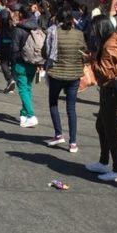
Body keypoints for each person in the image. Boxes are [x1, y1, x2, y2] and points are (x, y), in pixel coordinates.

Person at [86, 15, 117, 183]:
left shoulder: (108, 45)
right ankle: (104, 161)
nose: (92, 32)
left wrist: (91, 60)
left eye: (94, 29)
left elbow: (106, 72)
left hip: (110, 89)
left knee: (109, 129)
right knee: (101, 125)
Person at [44, 8, 87, 152]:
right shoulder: (79, 34)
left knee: (53, 102)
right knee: (71, 108)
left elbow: (46, 52)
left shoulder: (53, 32)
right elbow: (84, 50)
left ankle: (58, 134)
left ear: (58, 19)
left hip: (57, 73)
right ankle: (73, 142)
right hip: (74, 74)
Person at [12, 5, 45, 127]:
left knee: (22, 89)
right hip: (34, 62)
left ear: (21, 14)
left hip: (21, 63)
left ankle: (31, 115)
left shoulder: (18, 29)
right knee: (28, 88)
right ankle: (24, 114)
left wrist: (14, 61)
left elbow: (14, 49)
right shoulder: (36, 27)